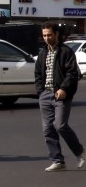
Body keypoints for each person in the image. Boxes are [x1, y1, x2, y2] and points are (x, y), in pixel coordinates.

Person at [34, 23, 85, 171]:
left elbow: (72, 73)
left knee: (60, 125)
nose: (47, 38)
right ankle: (57, 161)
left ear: (56, 34)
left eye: (49, 35)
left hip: (61, 96)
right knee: (48, 129)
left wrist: (63, 88)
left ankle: (80, 152)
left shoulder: (65, 51)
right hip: (45, 94)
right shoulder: (43, 53)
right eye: (44, 35)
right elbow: (38, 74)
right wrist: (40, 91)